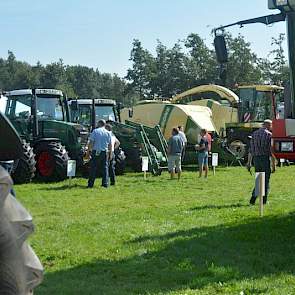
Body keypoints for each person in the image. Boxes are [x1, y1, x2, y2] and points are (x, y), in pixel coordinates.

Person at [247, 119, 276, 205]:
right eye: (271, 125)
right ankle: (264, 201)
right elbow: (271, 151)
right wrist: (274, 165)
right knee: (265, 180)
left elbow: (251, 150)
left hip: (256, 160)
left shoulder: (254, 134)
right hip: (264, 159)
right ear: (268, 125)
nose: (271, 127)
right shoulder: (269, 135)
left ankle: (253, 199)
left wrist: (249, 163)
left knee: (259, 179)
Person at [87, 119, 112, 188]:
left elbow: (91, 142)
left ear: (99, 124)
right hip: (105, 152)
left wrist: (88, 152)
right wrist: (110, 154)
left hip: (96, 152)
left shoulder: (95, 131)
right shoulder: (108, 133)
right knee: (105, 168)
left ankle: (90, 184)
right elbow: (110, 145)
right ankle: (105, 184)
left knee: (93, 168)